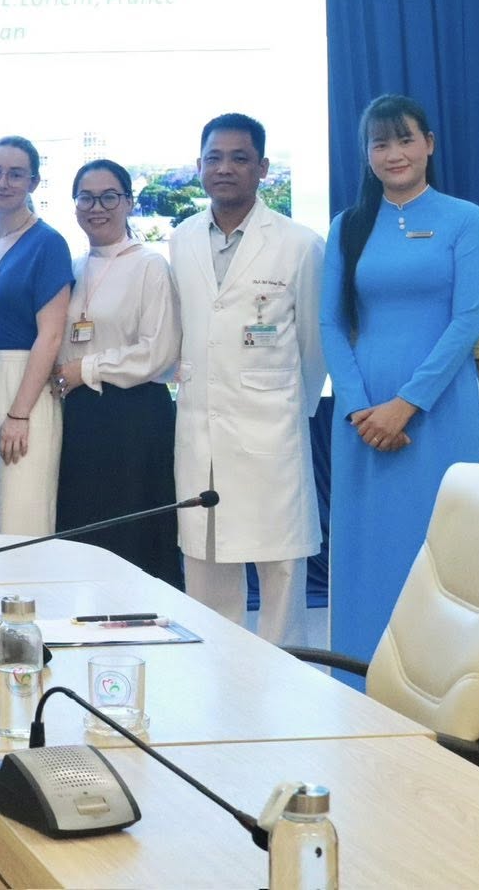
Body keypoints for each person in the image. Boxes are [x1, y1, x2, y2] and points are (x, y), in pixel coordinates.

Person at [322, 95, 479, 664]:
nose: (393, 153)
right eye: (380, 143)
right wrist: (357, 407)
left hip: (439, 409)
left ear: (429, 144)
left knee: (439, 548)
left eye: (405, 139)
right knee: (366, 550)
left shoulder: (464, 219)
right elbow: (330, 324)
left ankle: (440, 685)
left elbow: (467, 322)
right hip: (362, 417)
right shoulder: (347, 227)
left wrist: (407, 404)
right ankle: (358, 682)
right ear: (367, 154)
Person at [172, 113, 326, 645]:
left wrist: (287, 404)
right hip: (201, 425)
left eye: (239, 158)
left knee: (279, 566)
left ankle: (287, 680)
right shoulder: (181, 239)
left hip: (271, 426)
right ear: (199, 166)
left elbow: (313, 348)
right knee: (206, 558)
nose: (225, 168)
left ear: (262, 168)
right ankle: (216, 677)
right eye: (214, 158)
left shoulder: (299, 244)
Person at [52, 159, 183, 585]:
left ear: (128, 202)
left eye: (109, 197)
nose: (97, 208)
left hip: (135, 417)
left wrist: (87, 368)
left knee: (134, 538)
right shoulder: (72, 267)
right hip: (80, 416)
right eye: (86, 198)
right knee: (84, 535)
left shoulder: (149, 265)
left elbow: (159, 351)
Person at [0, 136, 74, 535]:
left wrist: (19, 413)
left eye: (15, 174)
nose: (3, 182)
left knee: (21, 514)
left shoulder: (49, 243)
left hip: (26, 382)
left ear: (33, 182)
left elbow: (50, 336)